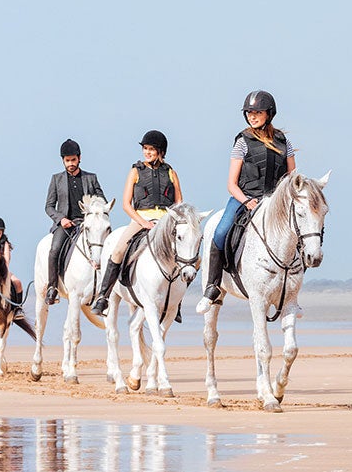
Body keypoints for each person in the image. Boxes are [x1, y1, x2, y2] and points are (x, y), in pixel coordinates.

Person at [201, 90, 297, 303]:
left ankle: (292, 291)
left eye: (257, 112)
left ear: (269, 114)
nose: (252, 116)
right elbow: (231, 184)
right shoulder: (243, 141)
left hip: (274, 204)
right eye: (249, 112)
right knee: (220, 232)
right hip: (244, 199)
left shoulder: (284, 142)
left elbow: (292, 178)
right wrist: (247, 201)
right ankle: (212, 286)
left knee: (299, 233)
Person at [92, 130, 184, 314]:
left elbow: (179, 202)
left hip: (165, 221)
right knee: (118, 251)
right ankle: (103, 296)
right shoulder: (135, 171)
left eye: (151, 149)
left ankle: (176, 302)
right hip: (141, 218)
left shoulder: (171, 172)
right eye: (145, 149)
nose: (147, 152)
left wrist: (169, 221)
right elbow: (126, 205)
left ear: (161, 151)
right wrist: (143, 222)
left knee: (185, 253)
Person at [43, 138, 105, 305]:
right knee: (54, 250)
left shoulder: (91, 178)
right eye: (67, 160)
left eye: (73, 160)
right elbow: (49, 206)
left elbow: (102, 201)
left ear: (79, 158)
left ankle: (106, 289)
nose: (70, 163)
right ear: (63, 160)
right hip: (66, 224)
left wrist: (95, 211)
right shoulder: (56, 179)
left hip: (87, 223)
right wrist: (61, 219)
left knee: (106, 246)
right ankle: (52, 287)